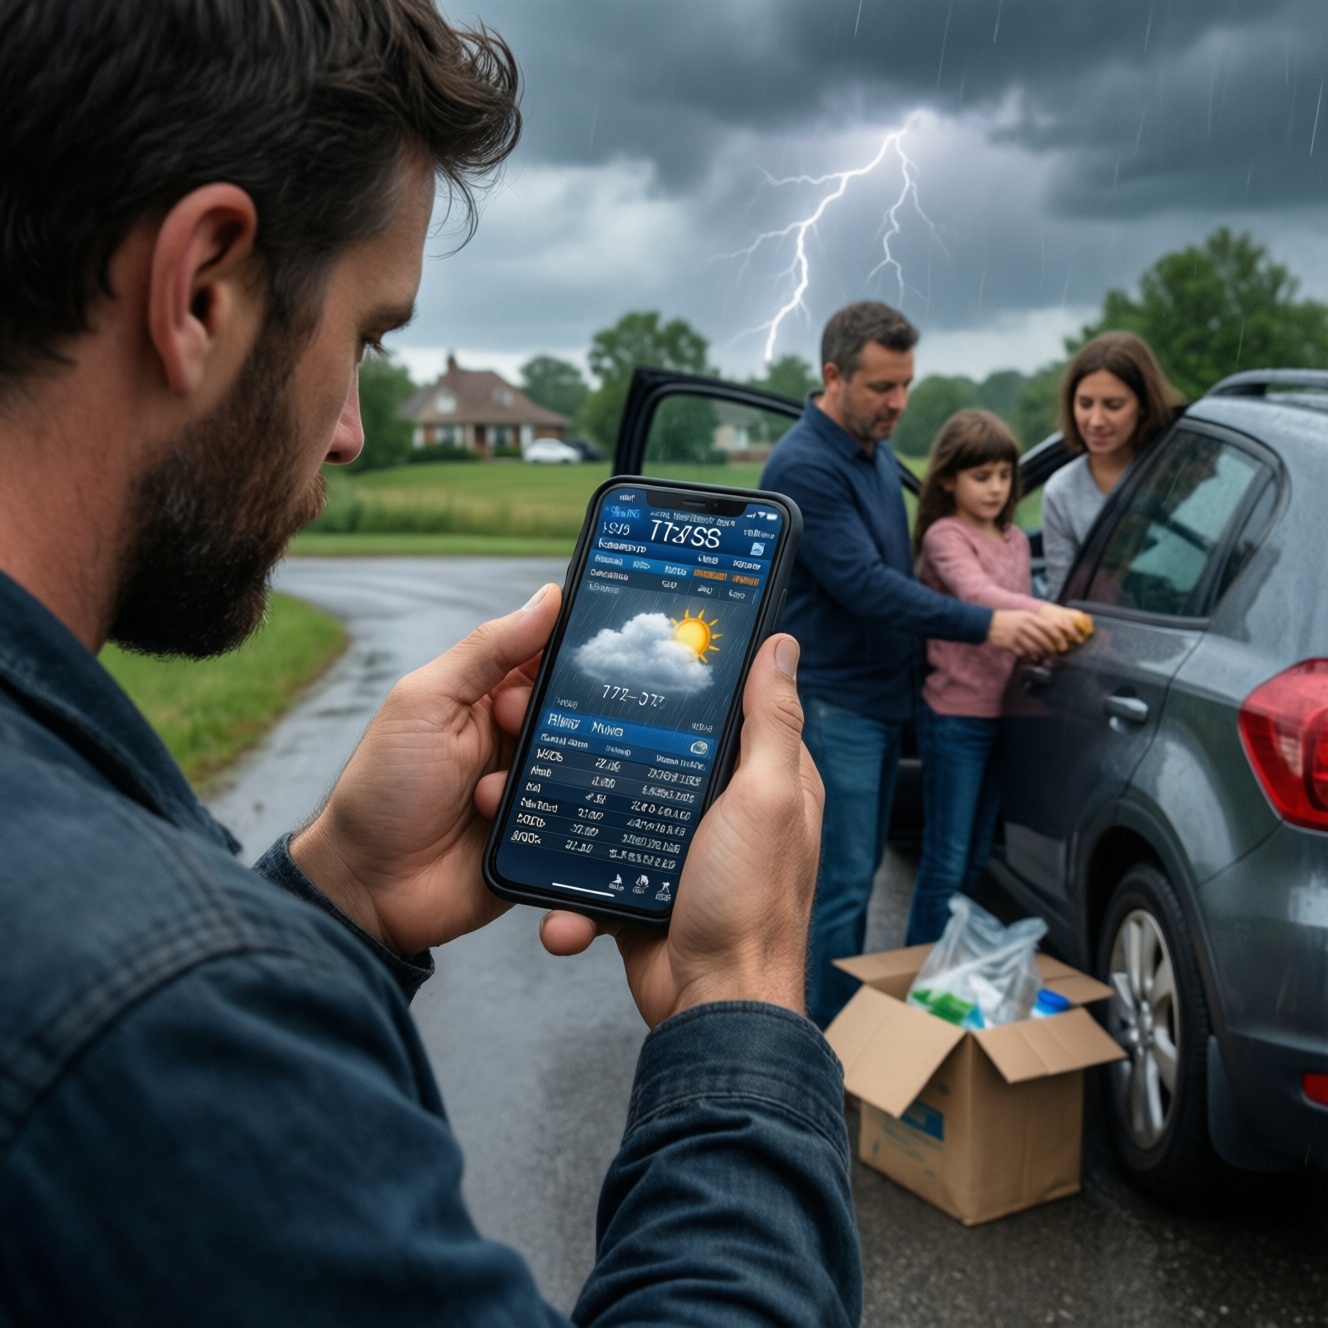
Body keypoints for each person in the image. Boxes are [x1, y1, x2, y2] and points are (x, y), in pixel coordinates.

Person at [0, 3, 860, 1322]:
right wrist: (744, 1005)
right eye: (365, 338)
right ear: (203, 289)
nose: (348, 433)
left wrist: (337, 896)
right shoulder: (158, 1022)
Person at [760, 302, 1073, 1028]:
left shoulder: (868, 453)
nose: (898, 403)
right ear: (832, 376)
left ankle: (851, 1037)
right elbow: (868, 587)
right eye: (881, 388)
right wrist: (989, 623)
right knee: (838, 886)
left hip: (882, 699)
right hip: (837, 705)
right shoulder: (808, 465)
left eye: (905, 385)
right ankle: (824, 1051)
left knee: (857, 877)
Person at [905, 411, 1089, 946]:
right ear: (947, 480)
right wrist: (1044, 611)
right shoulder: (946, 535)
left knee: (978, 855)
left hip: (1008, 715)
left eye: (1003, 476)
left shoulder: (1012, 538)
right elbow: (978, 596)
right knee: (946, 857)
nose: (995, 488)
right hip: (955, 719)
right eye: (980, 477)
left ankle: (950, 968)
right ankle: (916, 971)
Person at [1041, 331, 1185, 598]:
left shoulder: (1180, 471)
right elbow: (1062, 598)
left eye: (1113, 405)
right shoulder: (1061, 492)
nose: (1096, 420)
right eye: (1085, 404)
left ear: (1143, 405)